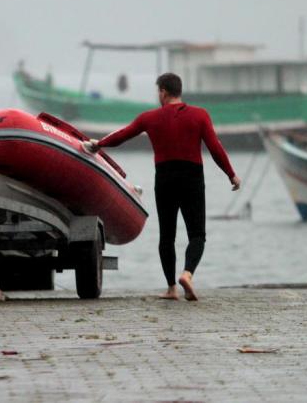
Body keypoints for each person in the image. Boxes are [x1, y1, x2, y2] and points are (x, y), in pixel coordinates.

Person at [85, 73, 240, 301]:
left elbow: (122, 135)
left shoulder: (150, 118)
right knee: (197, 234)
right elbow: (215, 148)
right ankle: (187, 274)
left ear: (163, 92)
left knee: (167, 236)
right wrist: (231, 175)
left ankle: (171, 289)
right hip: (192, 178)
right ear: (179, 91)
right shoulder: (200, 115)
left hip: (165, 178)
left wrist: (98, 144)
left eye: (158, 91)